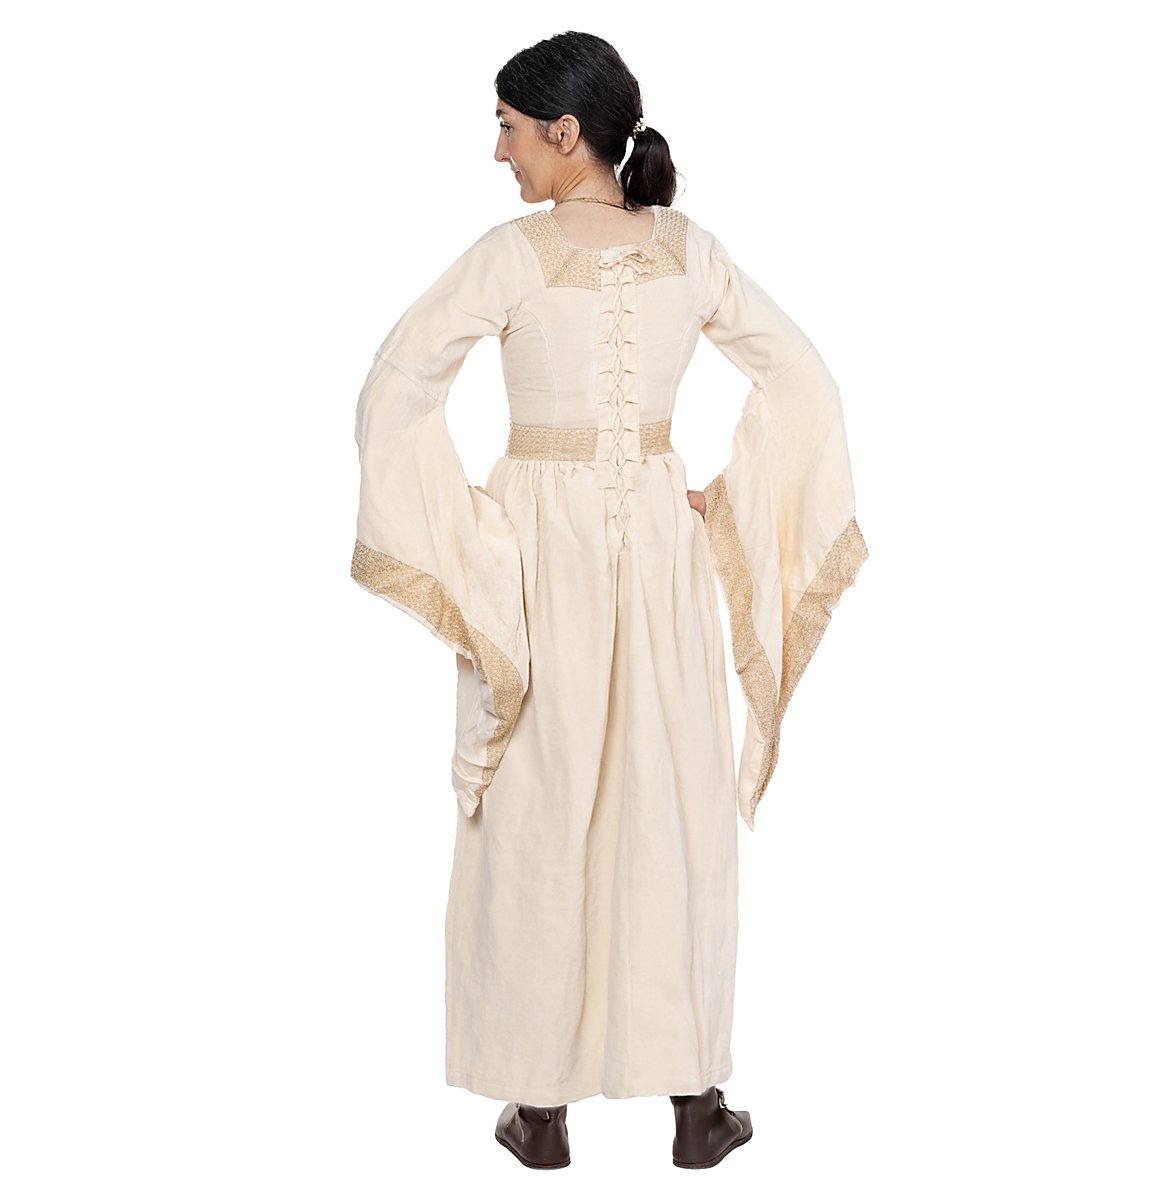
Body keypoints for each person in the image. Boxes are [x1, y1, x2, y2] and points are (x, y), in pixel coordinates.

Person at [350, 32, 868, 1170]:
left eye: (508, 128)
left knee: (541, 805)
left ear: (565, 130)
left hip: (540, 551)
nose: (498, 152)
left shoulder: (513, 256)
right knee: (670, 802)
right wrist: (726, 502)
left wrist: (469, 529)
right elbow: (804, 379)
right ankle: (696, 1106)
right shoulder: (690, 251)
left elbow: (394, 384)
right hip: (659, 544)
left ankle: (540, 1113)